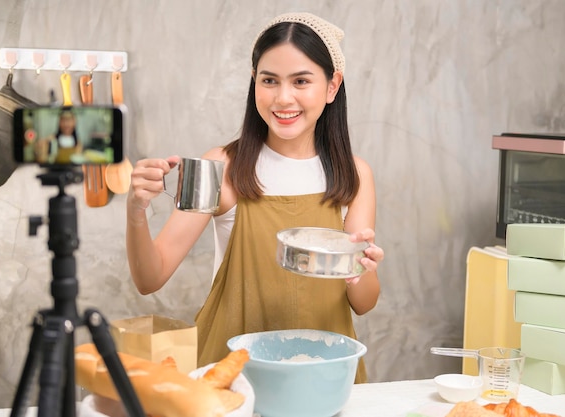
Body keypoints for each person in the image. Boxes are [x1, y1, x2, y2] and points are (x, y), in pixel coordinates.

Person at [126, 12, 384, 383]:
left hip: (323, 375)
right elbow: (150, 277)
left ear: (331, 86)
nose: (283, 98)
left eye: (301, 81)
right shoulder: (221, 166)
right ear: (254, 83)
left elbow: (364, 304)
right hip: (232, 375)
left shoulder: (355, 175)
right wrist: (136, 210)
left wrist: (362, 271)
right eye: (269, 80)